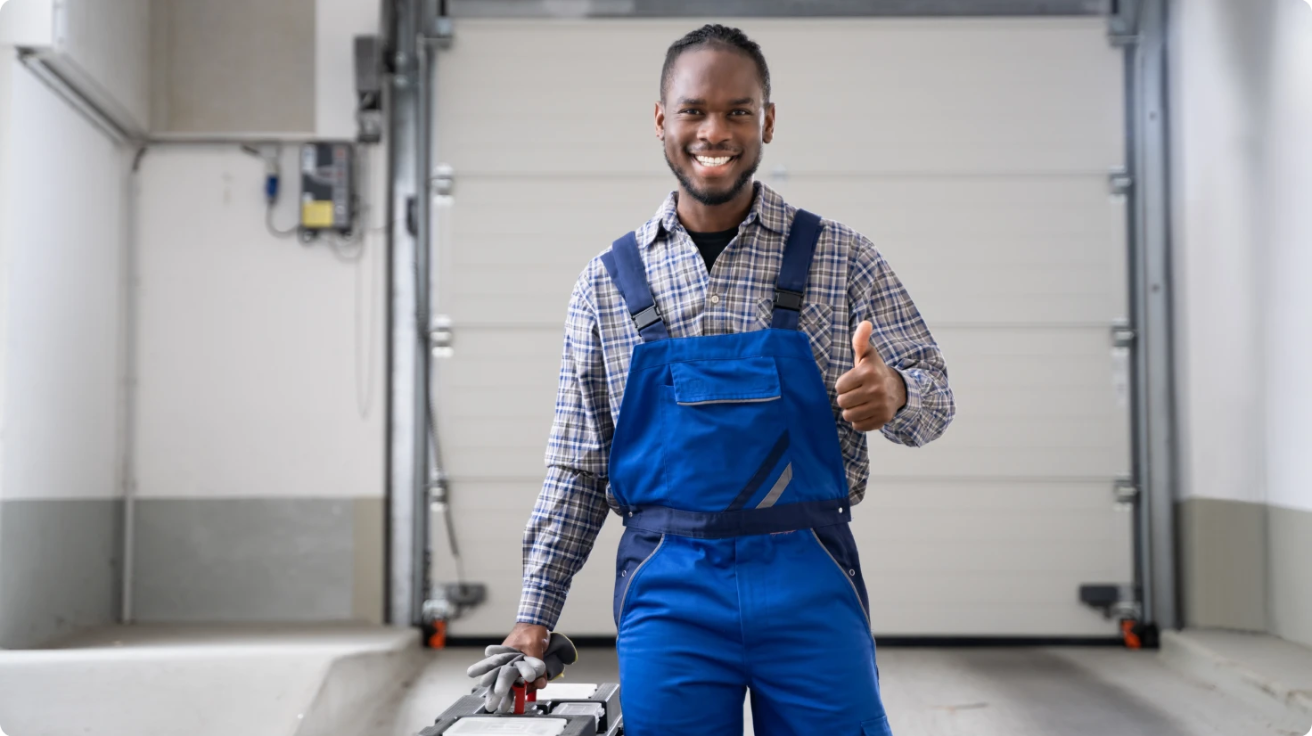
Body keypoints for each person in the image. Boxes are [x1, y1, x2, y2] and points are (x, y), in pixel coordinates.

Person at [485, 23, 955, 736]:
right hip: (669, 589)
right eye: (694, 110)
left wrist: (896, 394)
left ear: (766, 120)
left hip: (809, 578)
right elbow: (578, 467)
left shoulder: (841, 257)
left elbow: (935, 401)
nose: (715, 130)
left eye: (739, 110)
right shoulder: (608, 285)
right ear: (660, 121)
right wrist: (533, 615)